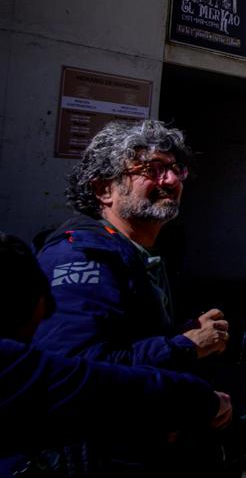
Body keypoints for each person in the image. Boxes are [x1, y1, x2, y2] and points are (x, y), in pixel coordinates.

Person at [0, 233, 232, 476]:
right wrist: (201, 393)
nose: (48, 316)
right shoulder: (80, 250)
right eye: (47, 303)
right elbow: (100, 386)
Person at [34, 120, 231, 369]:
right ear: (104, 189)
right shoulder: (82, 257)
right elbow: (73, 367)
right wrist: (184, 346)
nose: (171, 180)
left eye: (175, 168)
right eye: (152, 169)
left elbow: (128, 341)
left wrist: (180, 336)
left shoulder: (142, 249)